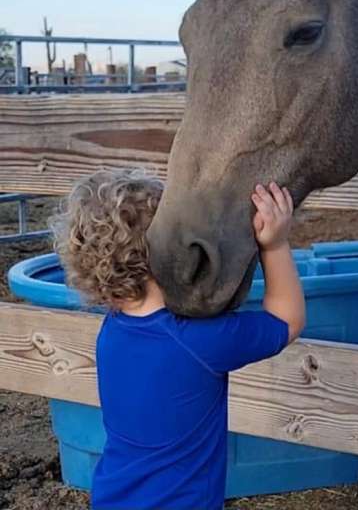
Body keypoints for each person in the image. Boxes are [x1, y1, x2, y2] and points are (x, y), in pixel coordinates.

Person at [52, 168, 306, 510]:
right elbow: (286, 320)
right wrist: (274, 245)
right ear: (169, 245)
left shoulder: (112, 332)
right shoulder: (199, 340)